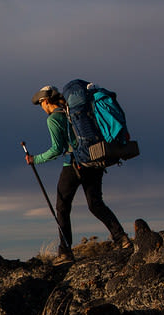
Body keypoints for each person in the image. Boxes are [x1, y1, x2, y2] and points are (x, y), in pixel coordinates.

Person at [26, 85, 131, 265]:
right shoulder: (75, 113)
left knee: (62, 207)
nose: (42, 107)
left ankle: (65, 252)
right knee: (95, 204)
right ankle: (122, 239)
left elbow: (57, 149)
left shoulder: (53, 119)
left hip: (73, 165)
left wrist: (35, 159)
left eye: (41, 103)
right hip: (94, 160)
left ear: (45, 101)